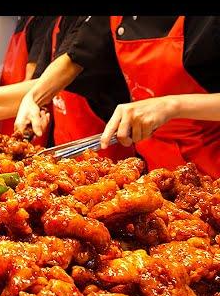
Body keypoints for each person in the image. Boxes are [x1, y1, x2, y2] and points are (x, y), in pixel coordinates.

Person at [14, 16, 220, 178]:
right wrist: (33, 97)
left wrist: (171, 105)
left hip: (211, 169)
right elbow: (75, 56)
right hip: (155, 170)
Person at [15, 16, 136, 161]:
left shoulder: (97, 23)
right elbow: (39, 82)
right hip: (63, 147)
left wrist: (33, 98)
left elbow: (72, 61)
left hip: (107, 152)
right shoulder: (56, 25)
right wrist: (37, 103)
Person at [0, 16, 56, 137]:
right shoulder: (24, 21)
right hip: (6, 117)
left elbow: (32, 87)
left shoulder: (43, 21)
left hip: (24, 119)